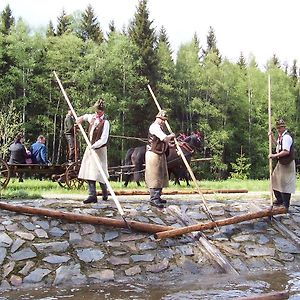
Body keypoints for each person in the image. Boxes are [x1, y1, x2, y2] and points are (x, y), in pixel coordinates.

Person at [77, 99, 109, 204]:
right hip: (91, 148)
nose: (97, 113)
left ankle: (105, 192)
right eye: (96, 111)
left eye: (99, 112)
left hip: (100, 150)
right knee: (90, 171)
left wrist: (94, 146)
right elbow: (86, 116)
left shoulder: (106, 123)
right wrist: (81, 118)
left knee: (101, 173)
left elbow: (104, 139)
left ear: (103, 112)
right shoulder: (93, 118)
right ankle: (92, 195)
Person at [145, 110, 175, 209]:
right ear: (157, 118)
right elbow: (164, 138)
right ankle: (154, 199)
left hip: (159, 153)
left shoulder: (160, 127)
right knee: (154, 176)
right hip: (153, 154)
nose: (163, 121)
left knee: (161, 175)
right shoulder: (154, 127)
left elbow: (163, 141)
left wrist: (169, 144)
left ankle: (158, 196)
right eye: (162, 119)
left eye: (164, 120)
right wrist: (171, 136)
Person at [268, 118, 296, 210]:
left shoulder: (287, 137)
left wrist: (274, 155)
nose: (279, 129)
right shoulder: (281, 137)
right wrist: (272, 138)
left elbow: (286, 151)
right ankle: (279, 200)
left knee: (286, 183)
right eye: (278, 128)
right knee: (274, 180)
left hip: (287, 163)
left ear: (284, 127)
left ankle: (285, 205)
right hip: (281, 163)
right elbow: (278, 146)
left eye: (280, 128)